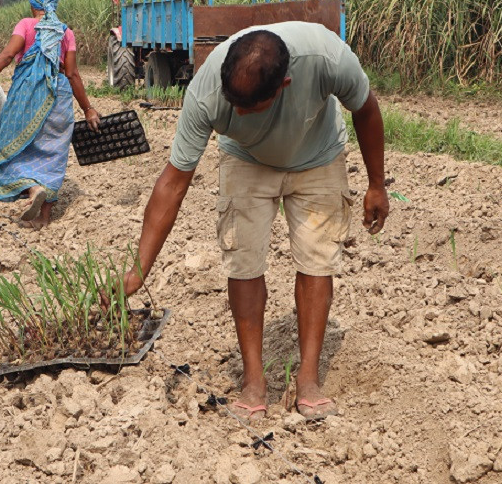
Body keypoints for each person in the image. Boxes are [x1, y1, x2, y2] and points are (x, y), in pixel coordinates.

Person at [122, 22, 389, 421]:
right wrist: (138, 271)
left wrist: (376, 183)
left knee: (317, 260)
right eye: (235, 103)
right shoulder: (208, 91)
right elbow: (173, 183)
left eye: (249, 107)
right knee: (243, 258)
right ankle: (253, 380)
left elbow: (366, 109)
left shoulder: (326, 58)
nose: (239, 112)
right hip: (246, 160)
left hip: (317, 155)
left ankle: (309, 378)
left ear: (284, 84)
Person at [0, 0, 100, 229]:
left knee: (13, 147)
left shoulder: (26, 25)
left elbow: (8, 55)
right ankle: (44, 218)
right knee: (53, 154)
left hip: (27, 96)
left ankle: (32, 189)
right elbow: (72, 73)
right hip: (58, 97)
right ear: (55, 3)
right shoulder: (66, 32)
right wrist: (88, 108)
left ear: (33, 4)